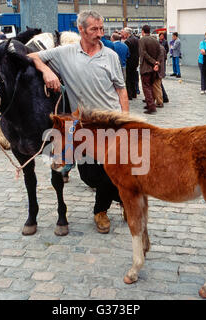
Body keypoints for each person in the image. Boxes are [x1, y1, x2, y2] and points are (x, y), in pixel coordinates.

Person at [28, 10, 128, 234]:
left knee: (112, 171)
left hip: (111, 123)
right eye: (94, 29)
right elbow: (30, 56)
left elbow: (121, 90)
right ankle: (121, 199)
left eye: (102, 29)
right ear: (80, 29)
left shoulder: (110, 55)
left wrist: (126, 119)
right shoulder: (65, 53)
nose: (100, 34)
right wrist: (46, 71)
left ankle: (100, 211)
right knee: (88, 175)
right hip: (83, 127)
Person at [139, 24, 162, 114]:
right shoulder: (155, 40)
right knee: (151, 86)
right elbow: (160, 53)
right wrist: (157, 63)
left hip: (146, 67)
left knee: (146, 87)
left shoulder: (142, 40)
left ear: (143, 31)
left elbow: (143, 53)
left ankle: (151, 107)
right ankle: (150, 104)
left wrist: (154, 62)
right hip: (154, 68)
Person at [122, 27, 139, 100]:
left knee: (128, 79)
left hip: (129, 62)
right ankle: (134, 93)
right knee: (134, 78)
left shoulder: (128, 41)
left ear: (127, 33)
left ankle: (129, 95)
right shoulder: (136, 39)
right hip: (136, 61)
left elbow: (127, 53)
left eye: (123, 33)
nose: (122, 34)